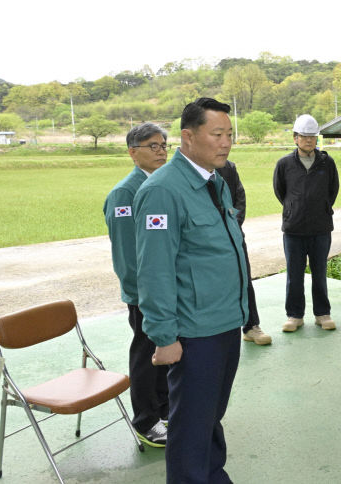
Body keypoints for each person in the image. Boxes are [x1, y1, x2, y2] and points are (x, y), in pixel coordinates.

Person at [134, 97, 248, 483]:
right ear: (188, 136)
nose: (226, 143)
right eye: (217, 134)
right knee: (190, 423)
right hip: (194, 331)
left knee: (210, 415)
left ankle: (212, 475)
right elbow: (154, 271)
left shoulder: (215, 181)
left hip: (224, 321)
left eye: (229, 134)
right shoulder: (164, 190)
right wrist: (164, 337)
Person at [103, 122, 169, 447]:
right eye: (152, 146)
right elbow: (128, 257)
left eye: (163, 145)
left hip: (167, 291)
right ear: (133, 152)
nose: (161, 151)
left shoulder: (160, 187)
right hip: (146, 295)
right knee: (146, 353)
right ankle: (146, 420)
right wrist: (146, 297)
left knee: (167, 351)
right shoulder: (124, 194)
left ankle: (166, 411)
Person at [273, 114, 339, 332]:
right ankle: (294, 316)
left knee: (320, 273)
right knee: (294, 275)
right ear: (295, 138)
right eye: (304, 136)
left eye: (313, 137)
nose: (309, 140)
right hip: (294, 229)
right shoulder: (284, 164)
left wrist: (321, 207)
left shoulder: (327, 163)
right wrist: (293, 208)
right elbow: (280, 191)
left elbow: (333, 190)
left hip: (321, 228)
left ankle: (322, 313)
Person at [216, 160, 272, 345]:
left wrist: (232, 225)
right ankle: (218, 329)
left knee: (243, 280)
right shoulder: (186, 172)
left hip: (233, 235)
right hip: (203, 240)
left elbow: (240, 198)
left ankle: (251, 326)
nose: (224, 143)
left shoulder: (228, 167)